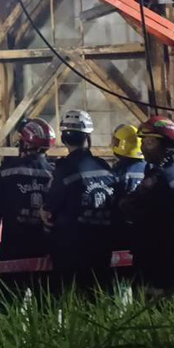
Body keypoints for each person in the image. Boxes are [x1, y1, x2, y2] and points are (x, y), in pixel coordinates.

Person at [0, 119, 56, 311]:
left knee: (7, 311)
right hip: (45, 252)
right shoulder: (56, 173)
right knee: (46, 315)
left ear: (25, 143)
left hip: (13, 250)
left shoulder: (8, 171)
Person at [41, 110, 117, 301]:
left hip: (71, 250)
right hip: (102, 248)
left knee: (70, 303)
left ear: (63, 137)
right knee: (99, 302)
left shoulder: (64, 170)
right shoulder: (104, 167)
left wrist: (45, 213)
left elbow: (51, 207)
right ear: (87, 137)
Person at [120, 116, 174, 305]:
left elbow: (131, 205)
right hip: (173, 251)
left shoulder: (161, 176)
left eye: (147, 141)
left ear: (158, 143)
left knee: (150, 308)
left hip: (160, 255)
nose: (143, 146)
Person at [110, 124, 147, 289]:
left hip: (120, 235)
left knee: (117, 285)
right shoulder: (151, 169)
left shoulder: (118, 173)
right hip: (145, 237)